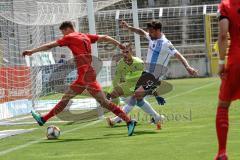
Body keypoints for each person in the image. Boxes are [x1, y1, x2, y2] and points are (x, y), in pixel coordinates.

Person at [22, 21, 137, 136]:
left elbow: (50, 45)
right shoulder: (85, 36)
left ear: (67, 29)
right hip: (86, 75)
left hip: (85, 77)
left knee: (95, 101)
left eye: (63, 32)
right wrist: (118, 44)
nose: (63, 35)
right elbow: (105, 37)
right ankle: (44, 119)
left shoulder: (70, 37)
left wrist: (32, 51)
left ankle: (129, 121)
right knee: (83, 100)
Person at [112, 20, 198, 127]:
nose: (149, 33)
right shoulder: (152, 37)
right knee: (138, 99)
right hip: (146, 73)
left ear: (158, 30)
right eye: (149, 31)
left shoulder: (166, 43)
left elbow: (178, 55)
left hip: (154, 76)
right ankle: (157, 117)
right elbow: (141, 32)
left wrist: (188, 67)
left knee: (136, 96)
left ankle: (116, 119)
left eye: (151, 31)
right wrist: (129, 27)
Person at [106, 43, 165, 130]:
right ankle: (157, 117)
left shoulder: (139, 63)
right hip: (132, 85)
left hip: (144, 83)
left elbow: (145, 78)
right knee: (139, 101)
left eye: (127, 52)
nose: (125, 54)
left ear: (131, 52)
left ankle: (115, 120)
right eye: (123, 52)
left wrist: (155, 93)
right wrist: (109, 92)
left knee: (134, 98)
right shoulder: (121, 64)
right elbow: (116, 78)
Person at [215, 0, 240, 159]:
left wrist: (221, 63)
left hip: (236, 60)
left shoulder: (226, 5)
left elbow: (223, 34)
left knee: (223, 106)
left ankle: (222, 152)